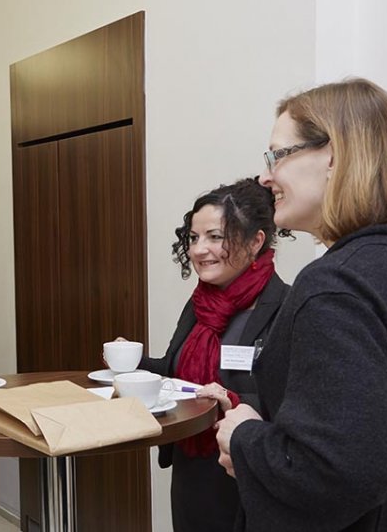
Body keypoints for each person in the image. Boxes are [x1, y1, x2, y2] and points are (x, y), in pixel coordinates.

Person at [216, 78, 387, 532]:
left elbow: (335, 472)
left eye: (277, 155)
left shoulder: (334, 285)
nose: (265, 176)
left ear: (335, 157)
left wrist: (243, 437)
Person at [130, 177, 290, 531]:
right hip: (192, 468)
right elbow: (177, 374)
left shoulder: (286, 307)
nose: (199, 250)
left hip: (247, 473)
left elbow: (293, 403)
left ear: (255, 241)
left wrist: (232, 399)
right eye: (193, 237)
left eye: (215, 237)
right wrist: (133, 364)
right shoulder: (200, 304)